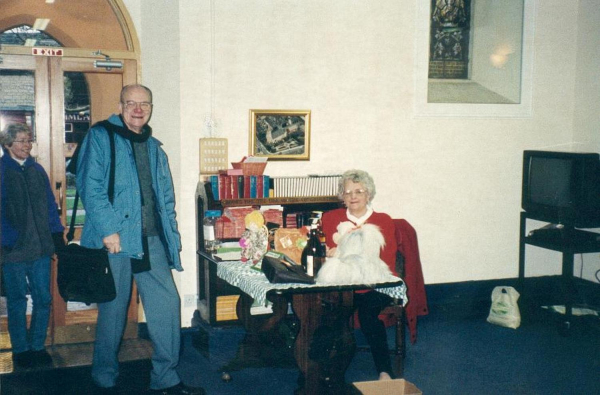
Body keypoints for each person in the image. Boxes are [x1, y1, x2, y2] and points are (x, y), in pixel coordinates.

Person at [76, 84, 204, 395]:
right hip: (117, 239)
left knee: (167, 303)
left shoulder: (154, 146)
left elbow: (165, 199)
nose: (138, 109)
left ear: (150, 108)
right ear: (120, 106)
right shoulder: (101, 136)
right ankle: (104, 377)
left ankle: (166, 377)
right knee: (115, 309)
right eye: (131, 103)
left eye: (144, 103)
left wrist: (171, 234)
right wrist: (108, 229)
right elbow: (89, 186)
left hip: (152, 239)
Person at [321, 169, 397, 381]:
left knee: (367, 316)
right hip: (343, 282)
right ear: (342, 197)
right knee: (328, 315)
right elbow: (329, 252)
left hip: (376, 282)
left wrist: (347, 253)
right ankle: (322, 370)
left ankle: (385, 372)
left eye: (358, 191)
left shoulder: (384, 220)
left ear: (368, 194)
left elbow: (387, 262)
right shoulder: (330, 218)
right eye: (347, 192)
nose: (353, 196)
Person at [0, 123, 65, 369]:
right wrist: (7, 240)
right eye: (21, 141)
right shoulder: (2, 171)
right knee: (16, 301)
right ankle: (20, 349)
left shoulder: (37, 170)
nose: (27, 146)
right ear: (7, 145)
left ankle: (38, 346)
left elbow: (49, 205)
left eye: (29, 140)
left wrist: (56, 234)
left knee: (43, 298)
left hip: (40, 249)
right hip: (13, 251)